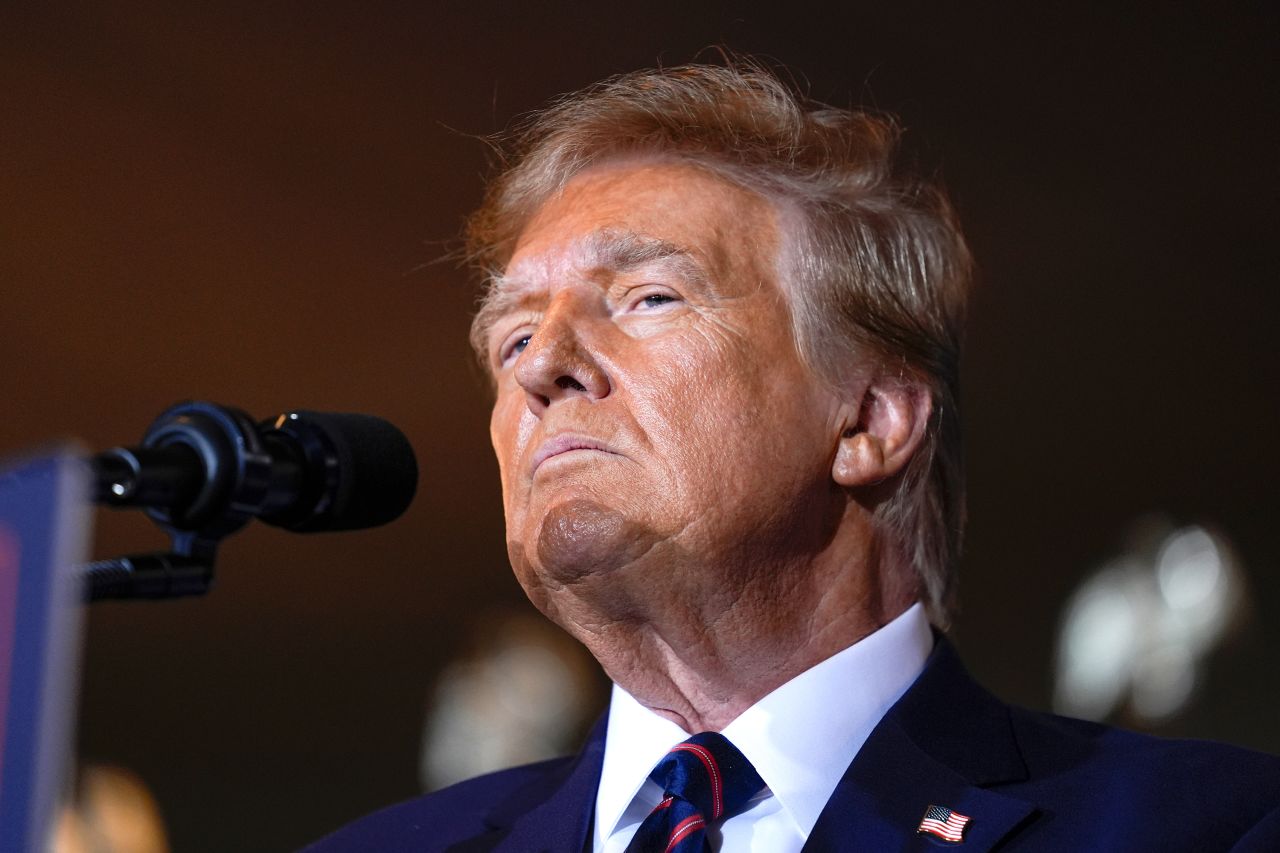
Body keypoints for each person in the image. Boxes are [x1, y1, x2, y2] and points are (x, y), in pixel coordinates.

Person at [306, 60, 1280, 852]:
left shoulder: (1204, 829)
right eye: (512, 338)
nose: (543, 368)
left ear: (868, 419)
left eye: (647, 297)